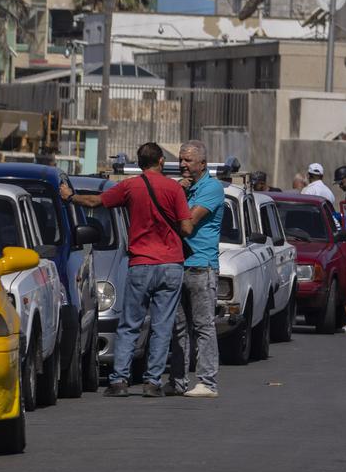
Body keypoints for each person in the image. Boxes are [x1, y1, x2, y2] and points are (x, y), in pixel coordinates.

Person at [61, 142, 194, 398]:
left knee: (130, 324)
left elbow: (94, 201)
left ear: (139, 162)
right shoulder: (174, 189)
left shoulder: (131, 186)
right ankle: (152, 382)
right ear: (161, 162)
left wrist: (69, 196)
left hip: (141, 263)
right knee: (162, 326)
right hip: (170, 265)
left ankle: (120, 380)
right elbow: (186, 228)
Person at [169, 139, 227, 398]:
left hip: (201, 266)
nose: (183, 164)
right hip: (179, 264)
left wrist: (177, 195)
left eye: (188, 160)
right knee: (178, 327)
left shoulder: (211, 188)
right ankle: (177, 380)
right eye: (181, 159)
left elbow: (188, 221)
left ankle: (207, 382)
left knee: (203, 325)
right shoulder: (182, 187)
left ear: (202, 164)